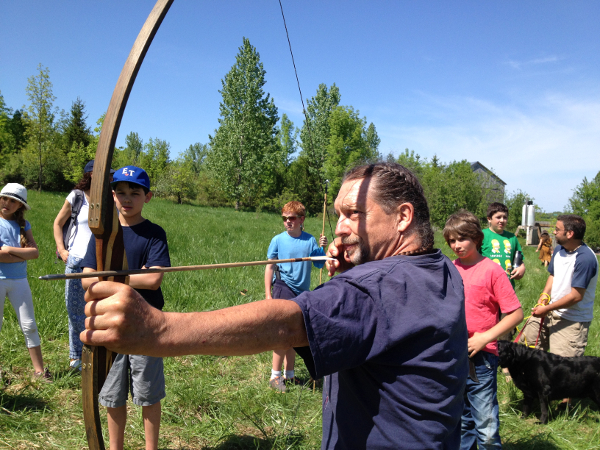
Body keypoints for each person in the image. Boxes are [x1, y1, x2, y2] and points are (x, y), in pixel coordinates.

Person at [81, 162, 468, 449]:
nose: (339, 227)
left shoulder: (379, 286)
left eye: (354, 213)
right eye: (338, 215)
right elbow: (380, 325)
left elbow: (286, 324)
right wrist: (354, 270)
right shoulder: (440, 269)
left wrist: (158, 330)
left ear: (402, 216)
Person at [81, 166, 170, 450]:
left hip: (146, 324)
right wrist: (133, 276)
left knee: (148, 393)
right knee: (112, 393)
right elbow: (86, 278)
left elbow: (154, 279)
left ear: (148, 197)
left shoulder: (154, 233)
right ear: (112, 196)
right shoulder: (102, 234)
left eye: (135, 193)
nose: (127, 199)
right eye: (120, 192)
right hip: (109, 323)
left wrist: (110, 277)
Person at [443, 210, 523, 449]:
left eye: (462, 239)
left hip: (483, 357)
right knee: (463, 422)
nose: (456, 245)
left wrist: (485, 338)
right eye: (451, 241)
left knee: (486, 428)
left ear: (477, 238)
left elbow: (516, 313)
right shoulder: (448, 268)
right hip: (455, 355)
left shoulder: (492, 270)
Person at [53, 160, 115, 371]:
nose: (108, 179)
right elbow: (58, 223)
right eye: (104, 175)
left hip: (99, 263)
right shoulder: (77, 196)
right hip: (76, 260)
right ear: (90, 175)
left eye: (109, 176)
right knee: (76, 311)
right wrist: (62, 250)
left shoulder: (110, 199)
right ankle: (76, 357)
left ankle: (99, 351)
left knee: (99, 309)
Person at [265, 201, 327, 392]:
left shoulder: (310, 241)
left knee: (294, 334)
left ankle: (289, 375)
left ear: (301, 219)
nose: (287, 222)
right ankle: (275, 377)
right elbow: (270, 266)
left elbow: (318, 265)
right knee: (283, 333)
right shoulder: (278, 240)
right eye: (285, 218)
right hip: (283, 287)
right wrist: (268, 294)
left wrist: (321, 250)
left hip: (302, 292)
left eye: (291, 218)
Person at [522, 215, 598, 358]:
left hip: (571, 320)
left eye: (557, 229)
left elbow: (576, 296)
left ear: (570, 234)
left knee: (562, 369)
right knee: (529, 352)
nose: (554, 232)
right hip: (550, 311)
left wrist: (547, 308)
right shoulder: (559, 250)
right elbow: (553, 275)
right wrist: (544, 295)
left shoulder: (585, 258)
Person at [0, 183, 51, 381]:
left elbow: (35, 252)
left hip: (19, 281)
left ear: (20, 206)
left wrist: (8, 250)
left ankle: (39, 371)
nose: (7, 203)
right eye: (5, 198)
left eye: (13, 201)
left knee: (29, 324)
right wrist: (22, 255)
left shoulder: (23, 225)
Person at [481, 202, 526, 288]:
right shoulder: (481, 235)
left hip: (507, 285)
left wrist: (522, 268)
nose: (502, 220)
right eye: (498, 217)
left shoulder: (512, 238)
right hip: (486, 285)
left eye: (505, 217)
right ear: (489, 219)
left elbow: (519, 259)